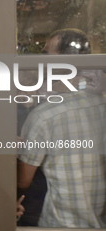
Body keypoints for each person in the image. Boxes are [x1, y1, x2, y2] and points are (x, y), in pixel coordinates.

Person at [18, 28, 106, 228]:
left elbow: (23, 181)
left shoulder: (44, 115)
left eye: (46, 55)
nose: (40, 62)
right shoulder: (102, 103)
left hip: (59, 223)